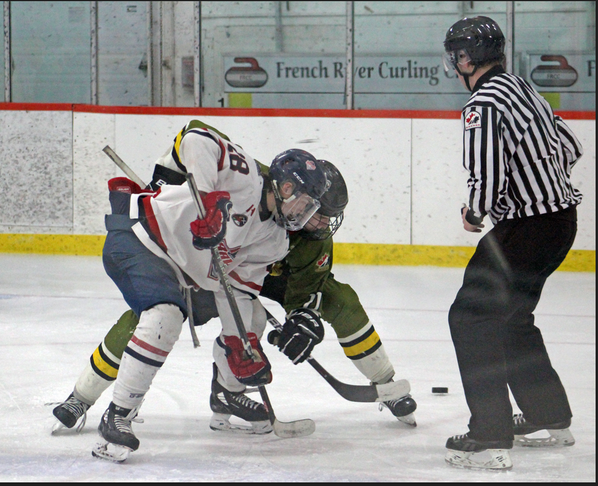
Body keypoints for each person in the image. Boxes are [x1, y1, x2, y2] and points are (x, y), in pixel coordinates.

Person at [51, 121, 416, 439]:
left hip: (248, 274)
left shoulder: (305, 237)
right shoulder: (256, 181)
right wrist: (193, 189)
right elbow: (196, 138)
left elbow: (302, 291)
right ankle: (82, 395)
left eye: (323, 216)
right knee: (158, 314)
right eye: (314, 211)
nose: (318, 222)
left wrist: (300, 321)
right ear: (291, 189)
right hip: (208, 260)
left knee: (303, 309)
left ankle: (385, 384)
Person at [83, 120, 327, 462]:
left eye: (309, 210)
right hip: (141, 236)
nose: (303, 214)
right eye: (303, 203)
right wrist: (208, 198)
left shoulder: (274, 241)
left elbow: (238, 291)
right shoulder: (244, 175)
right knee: (165, 317)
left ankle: (227, 393)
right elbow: (196, 138)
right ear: (285, 187)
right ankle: (118, 415)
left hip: (177, 270)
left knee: (248, 318)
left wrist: (240, 345)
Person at [441, 17, 583, 470]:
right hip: (560, 222)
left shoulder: (483, 103)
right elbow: (570, 146)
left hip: (524, 229)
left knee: (471, 317)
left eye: (455, 55)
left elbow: (486, 176)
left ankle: (489, 437)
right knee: (512, 319)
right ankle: (549, 417)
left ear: (465, 58)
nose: (454, 63)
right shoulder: (522, 87)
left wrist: (475, 212)